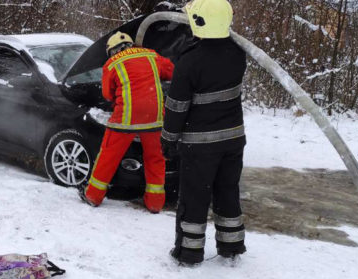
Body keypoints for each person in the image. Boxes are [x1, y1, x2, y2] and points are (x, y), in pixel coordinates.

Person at [163, 0, 248, 265]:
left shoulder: (190, 61)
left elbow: (176, 107)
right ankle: (231, 246)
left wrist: (167, 139)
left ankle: (188, 252)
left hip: (200, 145)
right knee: (227, 192)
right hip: (233, 140)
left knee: (195, 197)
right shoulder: (237, 53)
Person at [78, 32, 174, 214]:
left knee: (108, 155)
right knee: (156, 158)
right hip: (154, 117)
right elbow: (171, 72)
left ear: (111, 50)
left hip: (125, 118)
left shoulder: (112, 64)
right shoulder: (151, 55)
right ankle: (155, 203)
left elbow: (107, 94)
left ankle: (93, 195)